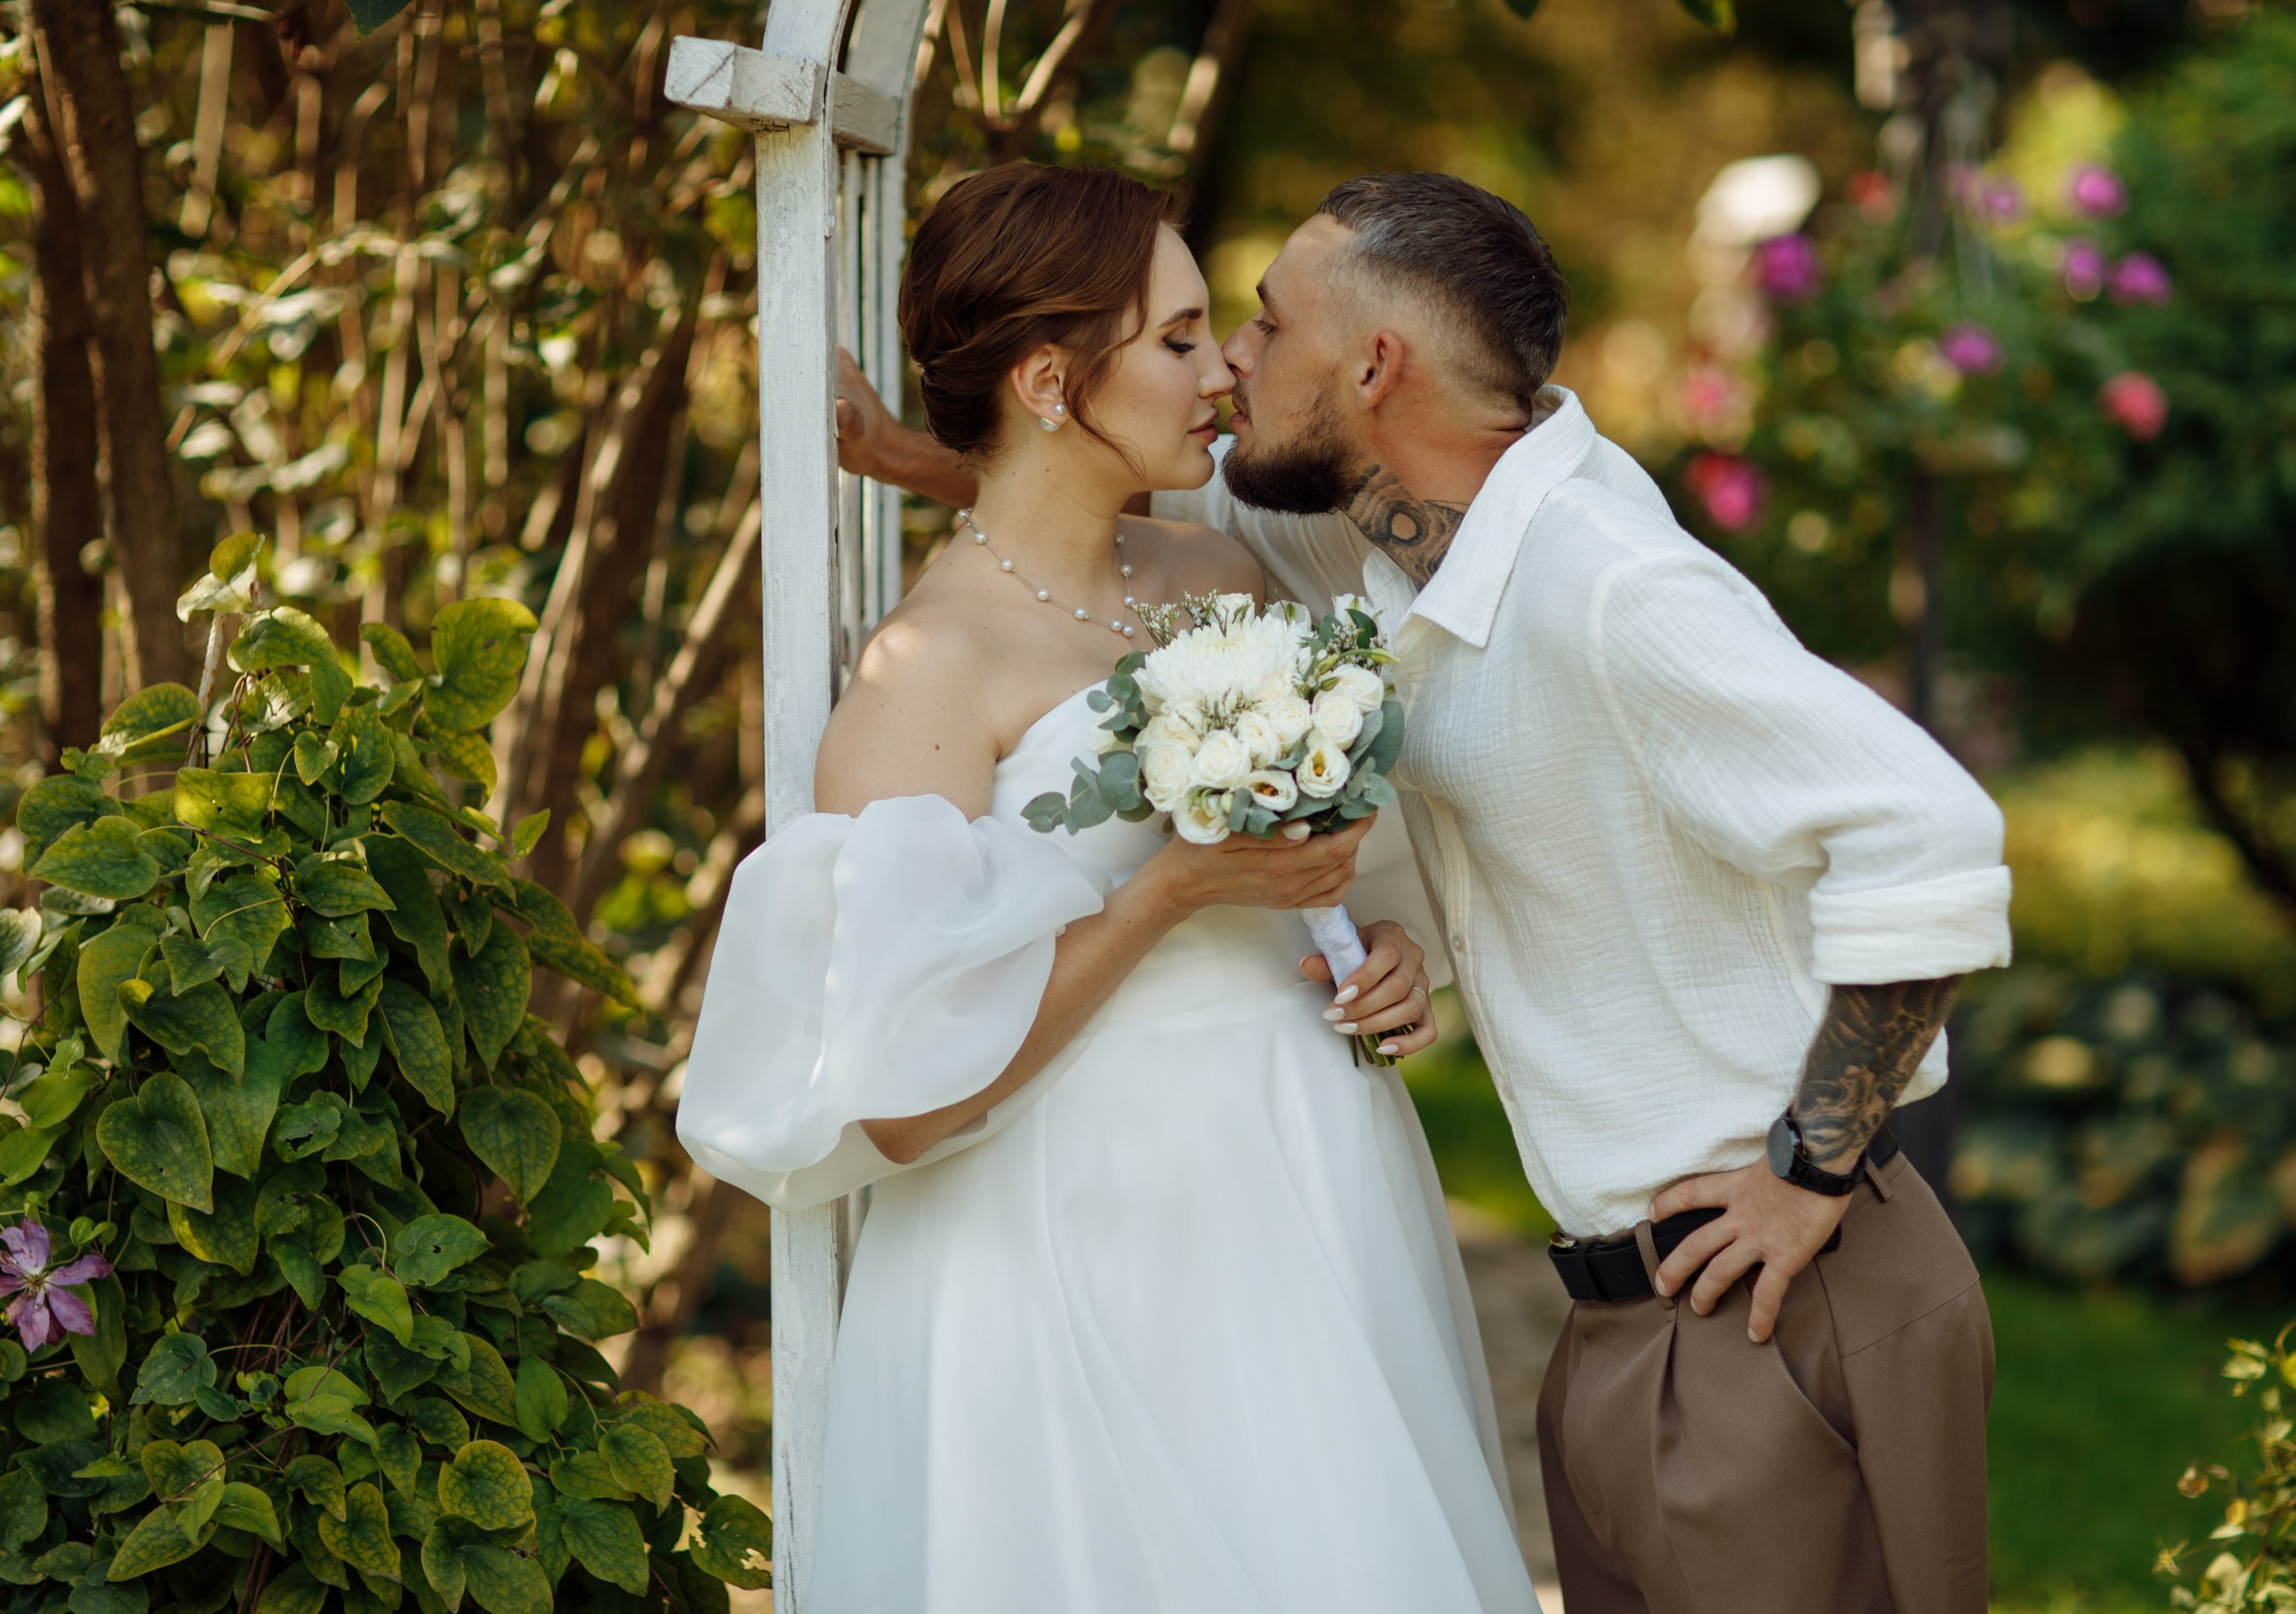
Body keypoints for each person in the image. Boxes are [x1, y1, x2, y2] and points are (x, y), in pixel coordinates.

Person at [838, 169, 2014, 1614]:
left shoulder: (1607, 586)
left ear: (1373, 368)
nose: (1231, 366)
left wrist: (1809, 1171)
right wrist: (916, 454)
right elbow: (1102, 484)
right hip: (1630, 1323)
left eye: (1263, 325)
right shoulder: (1387, 531)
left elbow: (1930, 837)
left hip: (1775, 1293)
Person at [677, 162, 1541, 1613]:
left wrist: (1377, 943)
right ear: (1045, 379)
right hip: (1072, 1234)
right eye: (1180, 338)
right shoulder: (928, 674)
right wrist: (1165, 893)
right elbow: (900, 1095)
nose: (1223, 374)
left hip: (1305, 1182)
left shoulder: (1223, 577)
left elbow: (1322, 867)